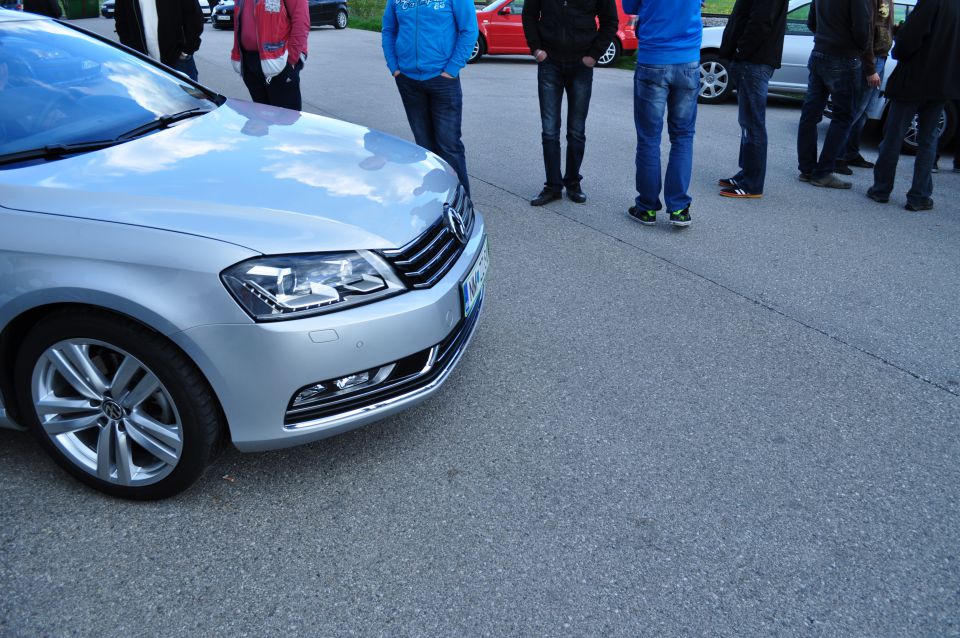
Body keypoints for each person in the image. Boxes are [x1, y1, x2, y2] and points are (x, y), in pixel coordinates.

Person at [521, 0, 617, 205]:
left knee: (576, 130)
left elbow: (610, 22)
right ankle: (553, 186)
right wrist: (536, 50)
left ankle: (573, 182)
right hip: (550, 64)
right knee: (549, 130)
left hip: (581, 64)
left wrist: (593, 55)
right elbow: (529, 15)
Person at [867, 0, 960, 211]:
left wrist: (899, 44)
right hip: (943, 83)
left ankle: (881, 189)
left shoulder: (931, 3)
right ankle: (919, 195)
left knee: (894, 135)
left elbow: (909, 41)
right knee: (928, 139)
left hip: (914, 80)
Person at [381, 0, 478, 196]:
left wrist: (452, 68)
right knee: (424, 147)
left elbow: (469, 30)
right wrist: (394, 67)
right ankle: (434, 201)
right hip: (408, 80)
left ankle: (461, 204)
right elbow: (389, 30)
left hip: (442, 80)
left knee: (449, 145)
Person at [624, 0, 702, 227]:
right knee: (683, 137)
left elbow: (629, 7)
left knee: (649, 138)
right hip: (688, 59)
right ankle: (679, 208)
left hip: (653, 58)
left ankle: (646, 208)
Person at [795, 0, 872, 189]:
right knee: (843, 117)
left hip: (820, 52)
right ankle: (823, 172)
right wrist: (858, 50)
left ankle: (807, 169)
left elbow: (811, 22)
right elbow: (863, 30)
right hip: (844, 56)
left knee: (810, 114)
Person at [716, 0, 788, 199]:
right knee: (748, 123)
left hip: (754, 62)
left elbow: (761, 22)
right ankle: (746, 174)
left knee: (753, 124)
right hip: (751, 60)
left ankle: (752, 184)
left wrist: (740, 51)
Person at [835, 0, 893, 174]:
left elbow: (882, 25)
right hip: (871, 59)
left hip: (881, 56)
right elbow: (865, 32)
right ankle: (836, 156)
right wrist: (870, 68)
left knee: (866, 110)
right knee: (855, 109)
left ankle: (850, 152)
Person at [230, 0, 310, 111]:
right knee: (261, 118)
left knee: (286, 120)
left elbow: (301, 21)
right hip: (250, 62)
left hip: (281, 63)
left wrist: (291, 60)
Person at [115, 0, 204, 82]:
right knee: (150, 98)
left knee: (186, 99)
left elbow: (194, 16)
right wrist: (131, 50)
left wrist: (187, 51)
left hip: (178, 59)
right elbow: (121, 20)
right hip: (143, 61)